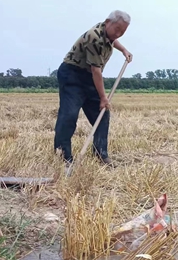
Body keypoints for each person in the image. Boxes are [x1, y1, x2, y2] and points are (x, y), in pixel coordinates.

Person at [54, 10, 133, 166]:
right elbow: (96, 71)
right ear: (107, 22)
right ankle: (63, 156)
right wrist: (103, 98)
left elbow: (112, 40)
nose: (118, 34)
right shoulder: (94, 37)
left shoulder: (108, 33)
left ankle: (101, 154)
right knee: (69, 115)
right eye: (117, 29)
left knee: (102, 115)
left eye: (122, 32)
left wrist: (124, 50)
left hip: (89, 77)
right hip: (72, 75)